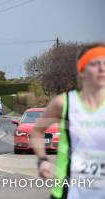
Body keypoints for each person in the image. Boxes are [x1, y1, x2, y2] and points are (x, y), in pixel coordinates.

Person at [31, 43, 105, 199]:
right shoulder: (63, 103)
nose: (101, 68)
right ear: (82, 70)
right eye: (94, 63)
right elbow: (37, 132)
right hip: (67, 192)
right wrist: (42, 160)